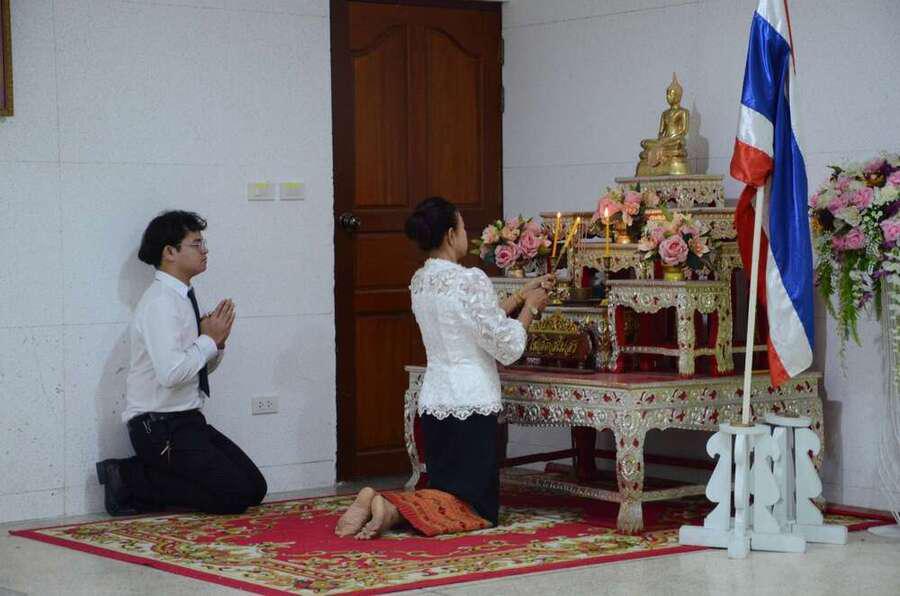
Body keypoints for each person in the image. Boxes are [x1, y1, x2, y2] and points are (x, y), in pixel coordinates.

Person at [334, 197, 551, 539]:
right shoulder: (471, 279)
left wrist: (519, 296)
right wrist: (531, 310)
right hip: (473, 402)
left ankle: (382, 504)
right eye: (463, 228)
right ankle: (389, 507)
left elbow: (474, 320)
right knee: (477, 510)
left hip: (435, 402)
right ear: (451, 234)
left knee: (446, 492)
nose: (467, 235)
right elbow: (506, 346)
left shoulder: (421, 280)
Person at [95, 210, 267, 516]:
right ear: (169, 252)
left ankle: (148, 477)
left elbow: (193, 370)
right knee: (234, 497)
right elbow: (172, 374)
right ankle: (128, 478)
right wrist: (208, 340)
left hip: (187, 421)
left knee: (255, 487)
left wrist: (216, 344)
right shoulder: (161, 302)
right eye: (196, 244)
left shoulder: (181, 297)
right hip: (159, 428)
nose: (205, 251)